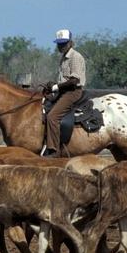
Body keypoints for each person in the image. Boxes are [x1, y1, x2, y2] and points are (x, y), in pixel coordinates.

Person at [42, 28, 86, 157]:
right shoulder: (63, 58)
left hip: (73, 92)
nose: (60, 46)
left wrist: (56, 87)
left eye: (63, 43)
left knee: (52, 117)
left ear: (70, 43)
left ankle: (54, 150)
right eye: (59, 43)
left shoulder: (75, 57)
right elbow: (63, 79)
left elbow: (74, 80)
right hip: (63, 91)